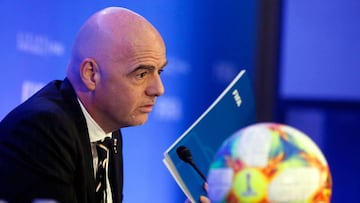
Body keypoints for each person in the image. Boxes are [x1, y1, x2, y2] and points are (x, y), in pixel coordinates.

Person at [0, 7, 210, 203]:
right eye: (142, 74)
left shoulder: (107, 130)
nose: (159, 89)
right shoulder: (42, 129)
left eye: (160, 72)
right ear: (91, 74)